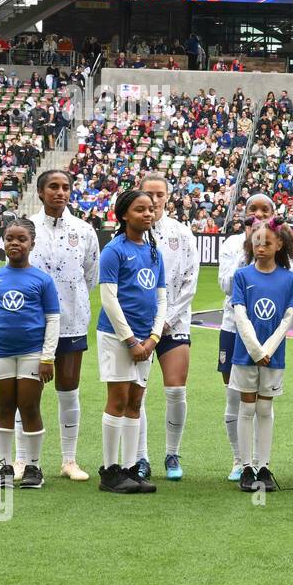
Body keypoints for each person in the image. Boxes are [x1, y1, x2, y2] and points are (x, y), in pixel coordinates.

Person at [0, 217, 59, 488]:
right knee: (4, 407)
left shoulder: (42, 280)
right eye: (10, 239)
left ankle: (33, 467)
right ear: (3, 242)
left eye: (21, 239)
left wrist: (47, 357)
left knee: (30, 407)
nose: (15, 243)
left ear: (32, 244)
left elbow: (53, 320)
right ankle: (4, 467)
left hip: (32, 353)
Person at [26, 169, 99, 482]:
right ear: (41, 192)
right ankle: (24, 461)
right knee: (27, 393)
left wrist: (72, 300)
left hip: (71, 321)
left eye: (65, 187)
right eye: (53, 187)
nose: (60, 192)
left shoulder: (84, 230)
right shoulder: (26, 227)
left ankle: (69, 460)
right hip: (30, 323)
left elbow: (91, 275)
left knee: (69, 389)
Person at [96, 190, 167, 495]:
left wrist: (152, 338)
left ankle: (129, 469)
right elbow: (109, 299)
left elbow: (162, 297)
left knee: (136, 402)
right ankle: (110, 470)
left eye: (151, 209)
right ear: (124, 215)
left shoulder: (154, 252)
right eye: (140, 209)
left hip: (145, 340)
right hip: (117, 337)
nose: (148, 214)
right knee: (119, 399)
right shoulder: (114, 250)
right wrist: (130, 340)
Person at [132, 172, 199, 481]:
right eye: (150, 194)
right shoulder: (131, 234)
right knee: (137, 393)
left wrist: (167, 319)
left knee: (175, 389)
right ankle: (141, 457)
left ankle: (173, 453)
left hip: (174, 323)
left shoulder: (182, 234)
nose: (155, 200)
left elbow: (189, 282)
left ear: (167, 197)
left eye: (160, 194)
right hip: (140, 326)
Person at [230, 220, 293, 493]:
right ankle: (247, 467)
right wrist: (256, 350)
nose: (260, 247)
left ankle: (264, 466)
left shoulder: (289, 279)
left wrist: (267, 350)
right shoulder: (242, 276)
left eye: (267, 242)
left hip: (273, 357)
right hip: (246, 354)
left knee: (265, 409)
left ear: (279, 244)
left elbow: (287, 318)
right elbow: (240, 314)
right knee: (246, 408)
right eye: (257, 242)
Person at [218, 194, 277, 480]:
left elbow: (282, 282)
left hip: (266, 334)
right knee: (235, 397)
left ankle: (260, 461)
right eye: (252, 208)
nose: (258, 213)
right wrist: (248, 248)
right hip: (234, 329)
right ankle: (239, 460)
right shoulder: (231, 244)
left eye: (264, 209)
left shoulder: (279, 244)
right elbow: (226, 284)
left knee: (263, 400)